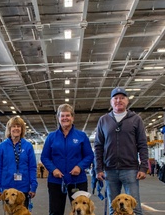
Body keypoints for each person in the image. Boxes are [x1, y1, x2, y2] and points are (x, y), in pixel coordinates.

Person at [94, 87, 148, 215]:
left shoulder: (136, 119)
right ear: (111, 101)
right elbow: (98, 146)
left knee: (135, 208)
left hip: (130, 170)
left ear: (127, 101)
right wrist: (98, 168)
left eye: (122, 98)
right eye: (116, 98)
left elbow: (142, 144)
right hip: (109, 171)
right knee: (114, 209)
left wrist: (143, 167)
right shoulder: (103, 120)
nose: (119, 100)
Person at [40, 104, 94, 215]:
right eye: (62, 116)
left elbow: (89, 155)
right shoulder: (51, 137)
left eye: (68, 115)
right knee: (55, 211)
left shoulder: (81, 136)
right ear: (58, 119)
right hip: (56, 182)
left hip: (78, 181)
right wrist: (53, 169)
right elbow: (44, 157)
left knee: (81, 212)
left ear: (72, 117)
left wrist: (80, 166)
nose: (65, 118)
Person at [0, 116, 38, 208]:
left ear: (22, 129)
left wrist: (33, 186)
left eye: (19, 126)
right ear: (9, 129)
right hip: (7, 188)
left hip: (23, 188)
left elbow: (32, 167)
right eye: (13, 126)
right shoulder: (2, 146)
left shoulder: (28, 146)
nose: (16, 128)